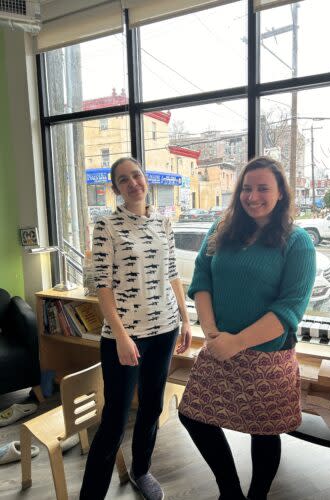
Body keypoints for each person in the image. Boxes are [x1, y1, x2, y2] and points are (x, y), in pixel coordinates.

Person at [178, 156, 316, 500]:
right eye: (246, 188)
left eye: (263, 188)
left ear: (281, 193)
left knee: (264, 433)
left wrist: (237, 342)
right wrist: (211, 333)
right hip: (219, 347)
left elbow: (288, 309)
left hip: (267, 357)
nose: (253, 196)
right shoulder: (219, 231)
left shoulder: (297, 242)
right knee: (193, 417)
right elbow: (202, 279)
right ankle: (230, 493)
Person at [80, 157, 192, 500]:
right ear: (115, 188)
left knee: (152, 406)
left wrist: (186, 319)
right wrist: (122, 336)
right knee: (114, 418)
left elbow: (172, 273)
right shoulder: (107, 226)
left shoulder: (163, 223)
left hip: (165, 328)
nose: (133, 183)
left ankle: (141, 470)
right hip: (125, 337)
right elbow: (103, 288)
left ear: (145, 178)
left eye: (137, 175)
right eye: (123, 180)